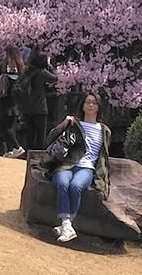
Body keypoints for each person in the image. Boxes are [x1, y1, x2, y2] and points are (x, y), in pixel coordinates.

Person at [44, 91, 110, 243]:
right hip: (67, 164)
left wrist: (103, 178)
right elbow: (50, 138)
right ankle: (67, 224)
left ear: (99, 106)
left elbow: (103, 156)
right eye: (88, 102)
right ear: (83, 105)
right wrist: (64, 124)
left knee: (75, 186)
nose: (91, 105)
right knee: (62, 183)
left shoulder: (104, 130)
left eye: (94, 102)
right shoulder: (75, 124)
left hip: (87, 168)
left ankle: (66, 224)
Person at [17, 49, 57, 151]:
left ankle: (29, 153)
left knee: (30, 133)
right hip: (40, 108)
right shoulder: (42, 73)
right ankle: (38, 156)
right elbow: (55, 78)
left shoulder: (27, 71)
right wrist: (50, 66)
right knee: (40, 135)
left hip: (27, 108)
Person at [0, 44, 26, 158]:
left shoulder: (4, 66)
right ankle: (11, 149)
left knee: (2, 126)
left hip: (5, 99)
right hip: (15, 101)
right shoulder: (21, 67)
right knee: (9, 126)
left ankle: (16, 147)